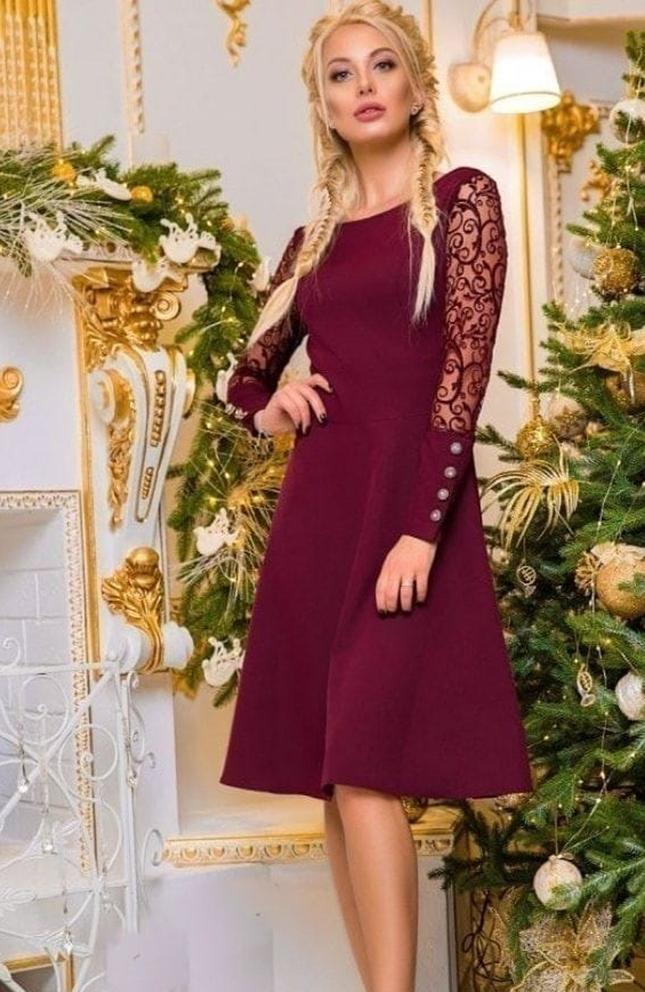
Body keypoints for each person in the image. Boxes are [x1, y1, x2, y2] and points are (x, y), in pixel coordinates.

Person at [218, 2, 533, 989]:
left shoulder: (463, 202)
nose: (363, 86)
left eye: (381, 65)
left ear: (416, 86)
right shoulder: (311, 241)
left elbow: (462, 381)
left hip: (406, 516)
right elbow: (245, 379)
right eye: (340, 73)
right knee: (334, 779)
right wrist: (272, 407)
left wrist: (420, 532)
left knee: (364, 769)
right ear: (322, 104)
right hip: (319, 520)